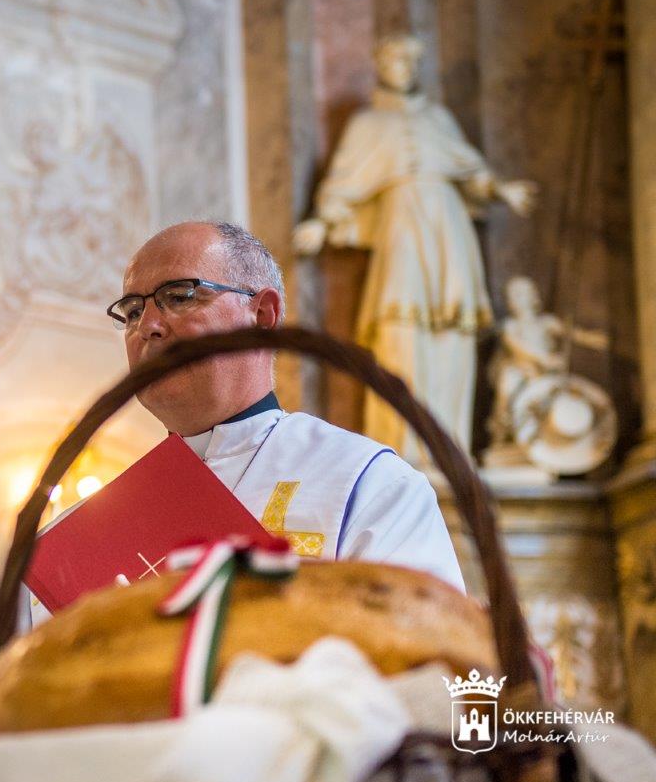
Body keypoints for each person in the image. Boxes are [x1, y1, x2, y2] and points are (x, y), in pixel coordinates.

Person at [107, 221, 463, 590]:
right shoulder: (108, 517)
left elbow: (425, 626)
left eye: (179, 297)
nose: (147, 325)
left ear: (262, 316)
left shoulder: (373, 484)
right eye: (132, 312)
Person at [293, 33, 537, 461]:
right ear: (380, 67)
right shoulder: (369, 123)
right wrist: (321, 221)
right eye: (394, 61)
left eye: (408, 62)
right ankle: (403, 450)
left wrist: (502, 190)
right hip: (402, 230)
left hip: (448, 229)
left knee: (453, 332)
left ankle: (450, 448)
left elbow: (469, 171)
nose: (402, 69)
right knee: (399, 331)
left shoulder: (436, 118)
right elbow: (345, 183)